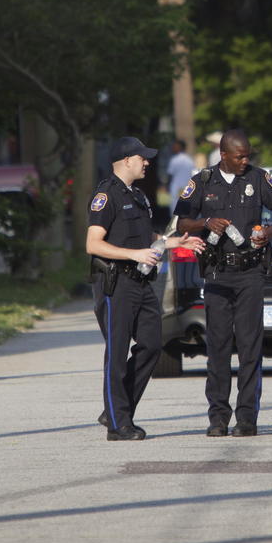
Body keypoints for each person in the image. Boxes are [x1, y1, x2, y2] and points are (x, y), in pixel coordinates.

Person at [174, 129, 272, 437]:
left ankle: (247, 418)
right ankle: (218, 417)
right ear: (223, 155)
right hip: (217, 273)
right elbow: (182, 222)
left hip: (250, 272)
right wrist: (205, 222)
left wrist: (269, 232)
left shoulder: (258, 178)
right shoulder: (202, 181)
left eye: (248, 156)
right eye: (240, 157)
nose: (245, 161)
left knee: (250, 346)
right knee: (218, 346)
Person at [87, 137, 205, 441]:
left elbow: (145, 237)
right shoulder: (106, 195)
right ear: (127, 160)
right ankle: (118, 425)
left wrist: (173, 242)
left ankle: (116, 409)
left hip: (140, 282)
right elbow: (93, 244)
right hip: (115, 283)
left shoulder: (138, 195)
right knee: (116, 354)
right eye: (143, 158)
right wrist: (134, 255)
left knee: (152, 345)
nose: (147, 162)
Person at [165, 139, 196, 206]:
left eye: (175, 147)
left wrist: (167, 186)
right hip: (188, 187)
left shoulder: (174, 160)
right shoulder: (190, 160)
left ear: (180, 148)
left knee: (175, 206)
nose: (173, 148)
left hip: (176, 187)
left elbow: (170, 175)